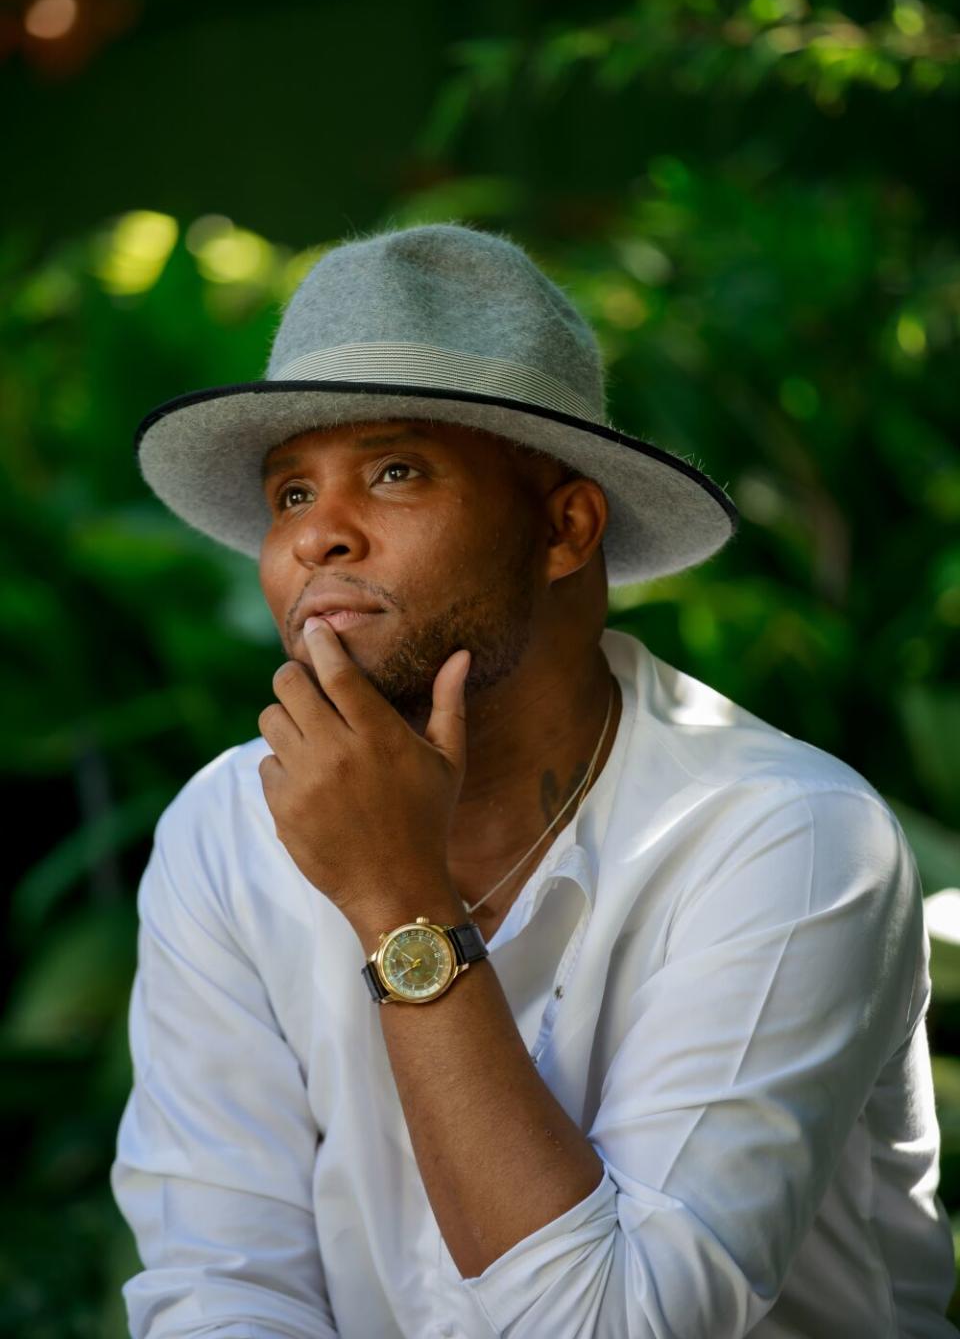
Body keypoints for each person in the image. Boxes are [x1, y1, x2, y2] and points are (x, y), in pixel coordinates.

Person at [111, 220, 956, 1337]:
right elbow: (221, 1285)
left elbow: (609, 1327)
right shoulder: (226, 829)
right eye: (291, 495)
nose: (319, 538)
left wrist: (399, 904)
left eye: (395, 471)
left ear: (565, 527)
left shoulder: (784, 838)